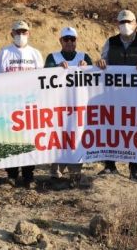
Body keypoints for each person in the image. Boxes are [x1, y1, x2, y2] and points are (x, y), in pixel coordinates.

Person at [96, 9, 137, 180]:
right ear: (117, 25)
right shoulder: (111, 42)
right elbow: (103, 62)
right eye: (122, 22)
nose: (125, 25)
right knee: (111, 128)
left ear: (135, 23)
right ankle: (110, 165)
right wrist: (101, 62)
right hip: (113, 95)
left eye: (129, 22)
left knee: (136, 130)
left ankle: (135, 168)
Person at [0, 20, 44, 189]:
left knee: (29, 140)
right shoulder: (4, 53)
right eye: (18, 32)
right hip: (10, 104)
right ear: (12, 34)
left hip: (30, 104)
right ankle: (12, 175)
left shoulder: (35, 54)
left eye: (24, 32)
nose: (21, 35)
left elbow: (42, 79)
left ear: (29, 34)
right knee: (12, 139)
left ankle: (29, 175)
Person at [45, 27, 93, 187]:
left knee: (77, 136)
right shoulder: (53, 57)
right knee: (59, 137)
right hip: (59, 106)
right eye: (66, 39)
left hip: (78, 107)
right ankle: (55, 172)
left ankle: (75, 172)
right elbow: (44, 76)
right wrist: (57, 68)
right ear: (61, 41)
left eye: (72, 39)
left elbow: (95, 77)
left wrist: (87, 67)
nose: (69, 42)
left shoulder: (84, 56)